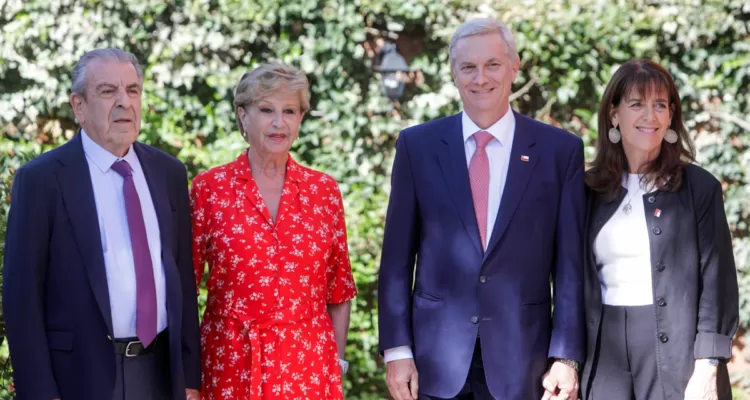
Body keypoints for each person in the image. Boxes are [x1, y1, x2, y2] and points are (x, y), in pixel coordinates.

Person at [377, 17, 586, 400]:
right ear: (453, 73)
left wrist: (566, 357)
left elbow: (570, 267)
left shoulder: (559, 151)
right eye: (468, 67)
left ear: (514, 67)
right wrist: (397, 349)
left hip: (525, 364)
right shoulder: (417, 147)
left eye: (492, 64)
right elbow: (396, 261)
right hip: (433, 365)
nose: (481, 78)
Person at [2, 48, 201, 400]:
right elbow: (22, 298)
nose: (125, 102)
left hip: (159, 374)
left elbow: (183, 280)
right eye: (108, 91)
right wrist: (40, 392)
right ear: (79, 106)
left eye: (133, 90)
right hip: (79, 377)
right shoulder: (41, 180)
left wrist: (188, 378)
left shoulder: (168, 172)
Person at [190, 63, 357, 400]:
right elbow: (184, 291)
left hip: (308, 369)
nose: (279, 122)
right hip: (230, 366)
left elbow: (338, 290)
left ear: (300, 118)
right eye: (267, 110)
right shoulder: (210, 189)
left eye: (289, 111)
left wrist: (335, 363)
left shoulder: (323, 191)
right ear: (243, 116)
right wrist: (189, 377)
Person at [580, 59, 739, 400]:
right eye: (637, 104)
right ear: (614, 114)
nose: (650, 116)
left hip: (678, 355)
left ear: (671, 116)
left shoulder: (699, 188)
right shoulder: (586, 190)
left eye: (660, 105)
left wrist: (708, 366)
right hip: (603, 356)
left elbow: (717, 282)